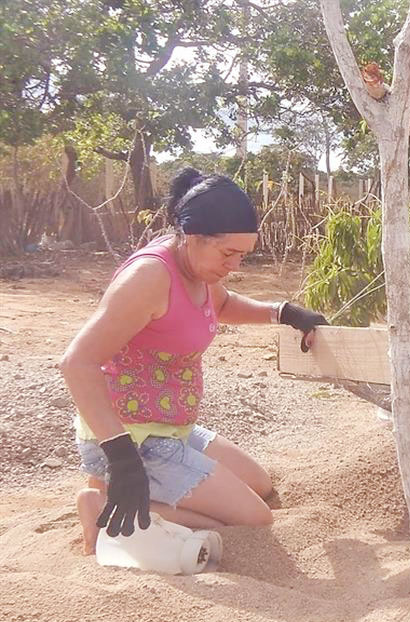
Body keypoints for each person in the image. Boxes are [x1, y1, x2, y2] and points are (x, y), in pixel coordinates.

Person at [61, 168, 327, 552]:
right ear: (193, 237)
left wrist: (283, 312)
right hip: (132, 436)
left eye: (242, 255)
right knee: (255, 518)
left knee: (260, 485)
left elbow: (222, 304)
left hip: (170, 427)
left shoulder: (197, 268)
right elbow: (77, 363)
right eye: (228, 253)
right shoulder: (149, 277)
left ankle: (130, 491)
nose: (234, 266)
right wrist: (120, 456)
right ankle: (103, 504)